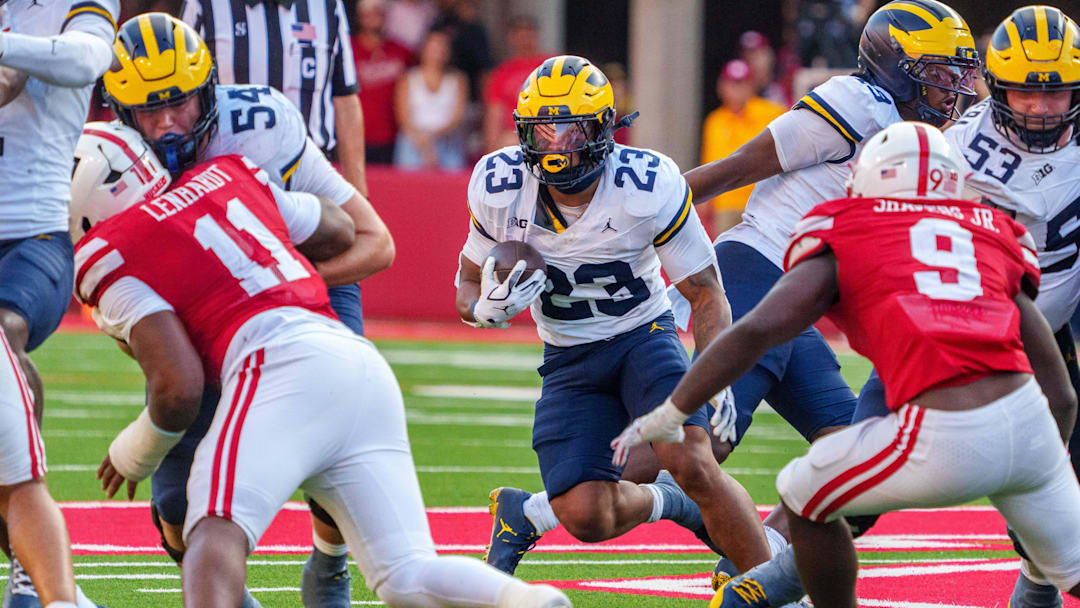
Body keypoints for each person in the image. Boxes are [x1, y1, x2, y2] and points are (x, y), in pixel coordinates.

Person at [69, 122, 573, 608]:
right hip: (354, 362)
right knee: (405, 574)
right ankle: (524, 599)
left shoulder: (104, 253)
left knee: (214, 528)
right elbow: (337, 226)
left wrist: (134, 452)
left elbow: (178, 389)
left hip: (275, 365)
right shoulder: (228, 173)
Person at [614, 120, 1080, 608]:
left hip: (941, 431)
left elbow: (757, 330)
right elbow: (1063, 394)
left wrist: (674, 410)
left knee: (804, 493)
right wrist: (1045, 463)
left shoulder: (851, 227)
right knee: (1068, 568)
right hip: (1029, 424)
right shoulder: (996, 235)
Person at [667, 1, 979, 584]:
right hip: (758, 272)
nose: (951, 87)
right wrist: (637, 216)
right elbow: (739, 167)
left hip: (795, 298)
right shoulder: (856, 103)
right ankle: (549, 506)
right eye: (937, 72)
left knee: (856, 450)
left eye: (956, 73)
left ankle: (758, 564)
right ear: (894, 64)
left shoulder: (935, 136)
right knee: (701, 450)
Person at [101, 14, 393, 608]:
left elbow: (375, 243)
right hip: (198, 308)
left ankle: (331, 563)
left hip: (301, 279)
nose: (165, 125)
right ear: (119, 113)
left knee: (336, 442)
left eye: (178, 103)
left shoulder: (259, 125)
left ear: (208, 89)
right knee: (178, 506)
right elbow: (124, 313)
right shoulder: (112, 168)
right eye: (145, 111)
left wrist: (274, 285)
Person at [457, 55, 776, 579]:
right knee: (585, 514)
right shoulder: (497, 184)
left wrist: (712, 372)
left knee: (692, 457)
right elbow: (467, 286)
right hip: (567, 356)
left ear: (604, 127)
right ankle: (674, 504)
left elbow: (705, 293)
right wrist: (483, 309)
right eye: (543, 131)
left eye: (571, 130)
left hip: (641, 338)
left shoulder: (647, 183)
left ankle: (772, 587)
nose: (556, 145)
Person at [942, 6, 1080, 607]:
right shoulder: (955, 150)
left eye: (1057, 94)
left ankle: (1036, 584)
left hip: (1062, 311)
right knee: (857, 484)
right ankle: (765, 583)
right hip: (973, 324)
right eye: (1026, 91)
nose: (1042, 107)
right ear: (996, 86)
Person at [0, 2, 119, 606]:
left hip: (32, 235)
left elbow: (88, 58)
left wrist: (5, 44)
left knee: (1, 335)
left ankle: (31, 564)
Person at [700, 59, 784, 235]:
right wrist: (705, 197)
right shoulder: (715, 121)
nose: (736, 90)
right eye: (732, 84)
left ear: (751, 86)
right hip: (726, 201)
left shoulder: (771, 112)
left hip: (762, 199)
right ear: (722, 86)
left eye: (742, 84)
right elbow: (709, 160)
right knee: (724, 253)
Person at [393, 28, 468, 170]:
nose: (438, 52)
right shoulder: (408, 78)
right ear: (423, 50)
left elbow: (458, 116)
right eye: (433, 47)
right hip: (413, 140)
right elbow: (403, 117)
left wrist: (433, 138)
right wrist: (423, 142)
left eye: (442, 47)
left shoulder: (458, 79)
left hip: (447, 139)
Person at [352, 0, 414, 165]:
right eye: (369, 13)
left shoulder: (401, 51)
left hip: (392, 136)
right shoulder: (348, 49)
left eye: (378, 12)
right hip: (354, 135)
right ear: (360, 17)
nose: (374, 18)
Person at [482, 15, 548, 152]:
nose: (524, 40)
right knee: (509, 142)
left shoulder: (550, 66)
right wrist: (491, 150)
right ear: (511, 38)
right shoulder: (502, 73)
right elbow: (494, 114)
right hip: (514, 135)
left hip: (549, 129)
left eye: (528, 34)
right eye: (520, 35)